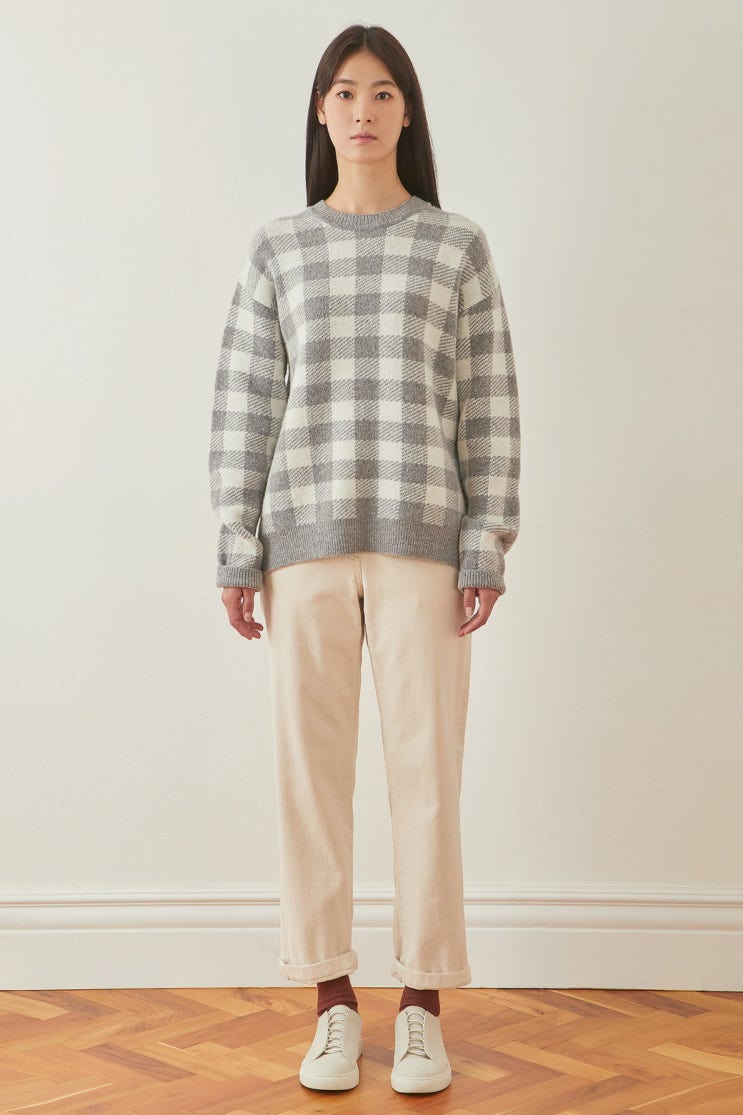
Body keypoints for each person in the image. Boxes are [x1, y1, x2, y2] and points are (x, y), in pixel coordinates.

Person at [208, 23, 521, 1096]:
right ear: (320, 111)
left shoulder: (455, 245)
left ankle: (421, 1005)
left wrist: (485, 538)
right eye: (344, 92)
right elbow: (245, 400)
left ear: (406, 111)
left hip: (423, 547)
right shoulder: (278, 248)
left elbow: (487, 399)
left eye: (382, 92)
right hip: (300, 547)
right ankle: (331, 1002)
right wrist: (236, 547)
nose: (362, 110)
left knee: (426, 777)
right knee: (310, 779)